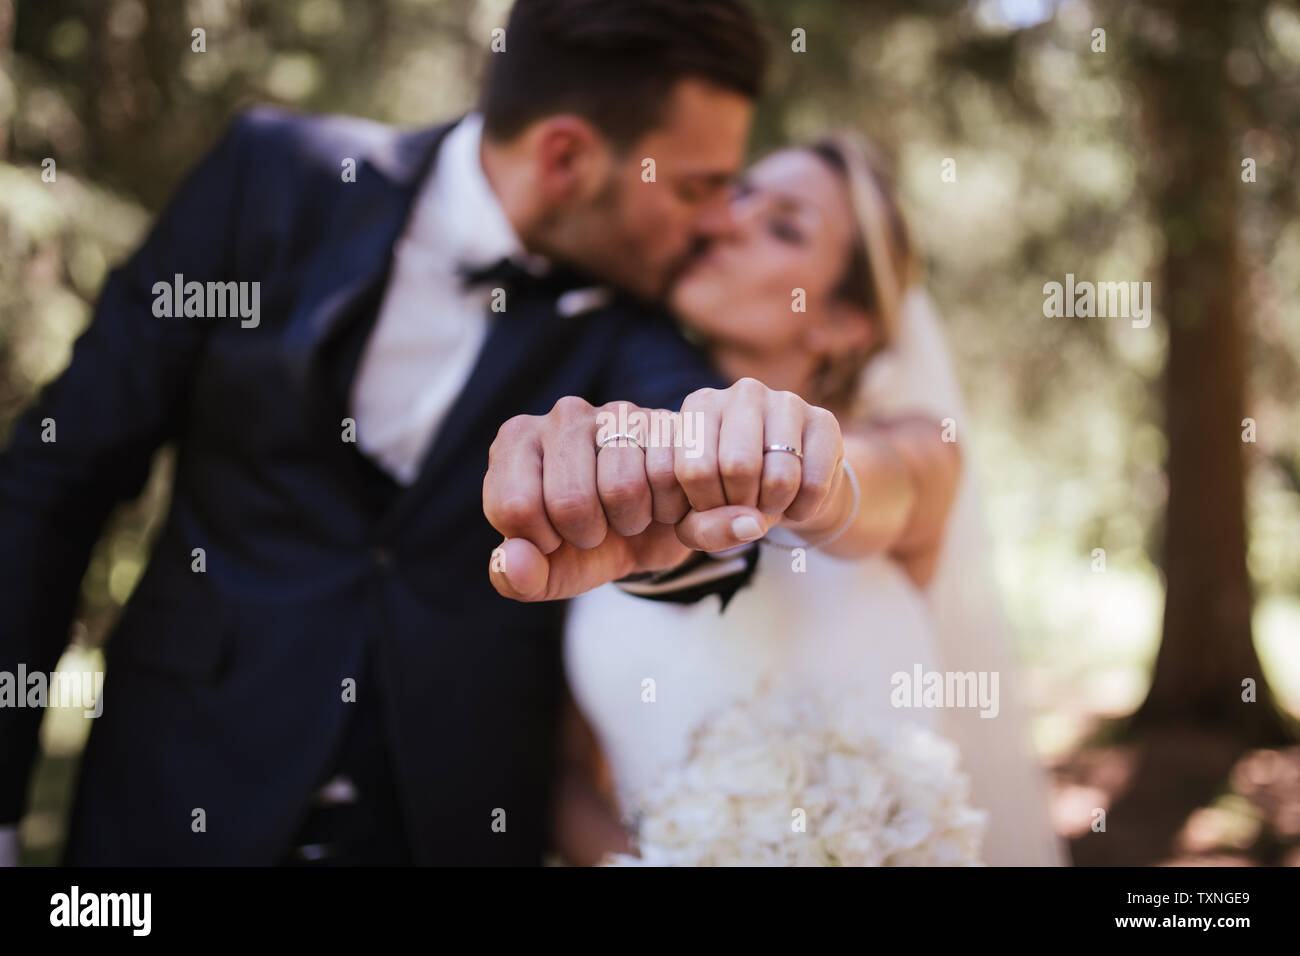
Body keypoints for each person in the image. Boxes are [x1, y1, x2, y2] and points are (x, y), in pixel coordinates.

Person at [0, 0, 819, 866]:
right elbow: (55, 478)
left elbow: (691, 464)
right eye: (696, 186)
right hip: (171, 804)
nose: (717, 221)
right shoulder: (273, 177)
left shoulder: (637, 328)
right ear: (567, 156)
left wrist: (691, 505)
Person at [549, 136, 1067, 866]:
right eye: (742, 196)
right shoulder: (613, 485)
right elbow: (567, 771)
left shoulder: (919, 450)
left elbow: (874, 485)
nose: (726, 222)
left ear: (841, 322)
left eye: (784, 226)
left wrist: (803, 469)